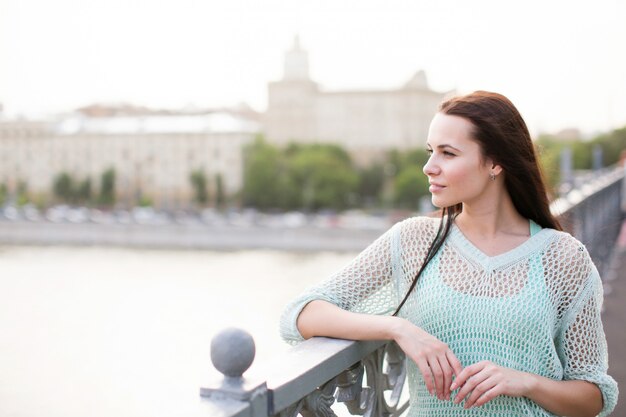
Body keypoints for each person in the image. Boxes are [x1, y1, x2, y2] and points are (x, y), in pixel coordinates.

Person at [279, 91, 618, 416]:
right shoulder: (413, 240)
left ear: (495, 163)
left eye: (448, 153)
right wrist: (398, 328)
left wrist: (526, 382)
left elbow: (594, 396)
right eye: (430, 151)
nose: (429, 166)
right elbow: (302, 313)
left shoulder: (563, 257)